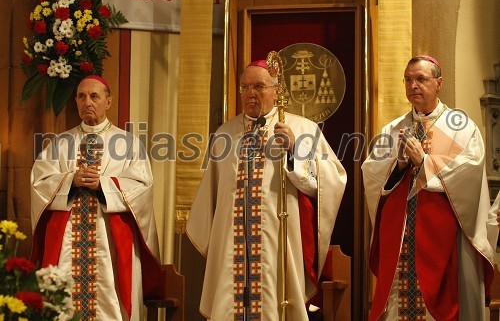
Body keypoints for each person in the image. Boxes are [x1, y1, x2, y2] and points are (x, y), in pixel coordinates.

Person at [186, 60, 347, 320]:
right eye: (245, 87)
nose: (251, 93)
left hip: (279, 238)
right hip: (233, 242)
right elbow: (212, 198)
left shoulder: (303, 129)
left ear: (276, 90)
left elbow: (330, 181)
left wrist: (294, 150)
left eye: (259, 86)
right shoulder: (224, 134)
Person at [362, 56, 498, 320]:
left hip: (443, 239)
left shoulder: (461, 128)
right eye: (409, 79)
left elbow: (469, 173)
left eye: (421, 79)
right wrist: (398, 166)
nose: (414, 85)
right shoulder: (393, 129)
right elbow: (371, 174)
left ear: (439, 83)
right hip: (402, 238)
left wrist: (424, 162)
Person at [30, 75, 162, 320]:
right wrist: (70, 181)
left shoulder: (128, 143)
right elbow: (39, 183)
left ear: (108, 102)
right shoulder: (60, 144)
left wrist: (104, 186)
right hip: (67, 243)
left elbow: (143, 186)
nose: (87, 102)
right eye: (81, 96)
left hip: (109, 243)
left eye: (94, 96)